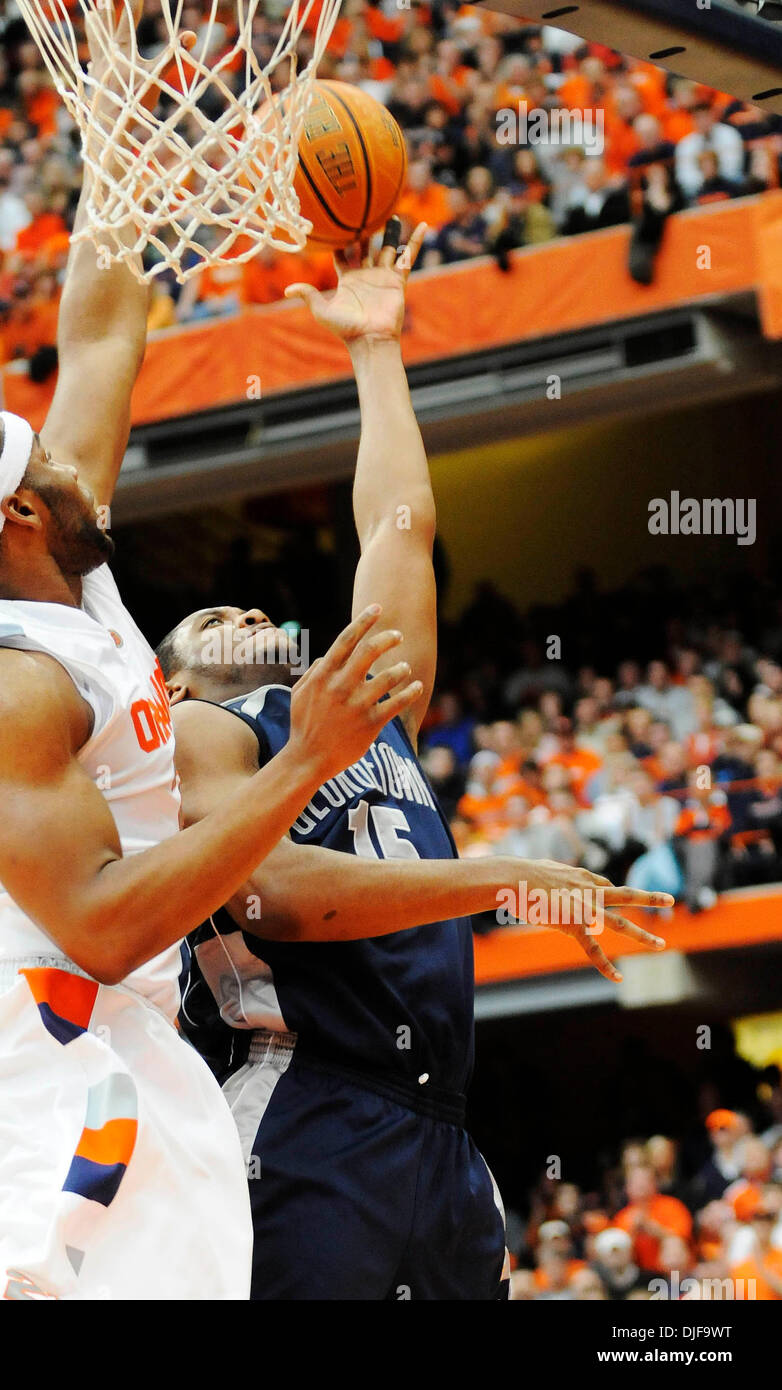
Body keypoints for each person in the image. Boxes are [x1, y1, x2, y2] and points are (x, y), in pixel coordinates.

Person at [0, 13, 418, 1303]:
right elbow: (108, 926)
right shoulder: (0, 680)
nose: (83, 460)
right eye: (56, 467)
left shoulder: (46, 550)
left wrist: (127, 121)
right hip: (31, 1043)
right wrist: (306, 760)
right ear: (18, 513)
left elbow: (102, 338)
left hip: (117, 1037)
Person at [158, 221, 670, 1299]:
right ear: (164, 684)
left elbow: (398, 528)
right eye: (211, 614)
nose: (246, 608)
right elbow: (276, 898)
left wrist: (375, 348)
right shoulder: (204, 733)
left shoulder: (356, 717)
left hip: (435, 1125)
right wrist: (504, 876)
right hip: (308, 1104)